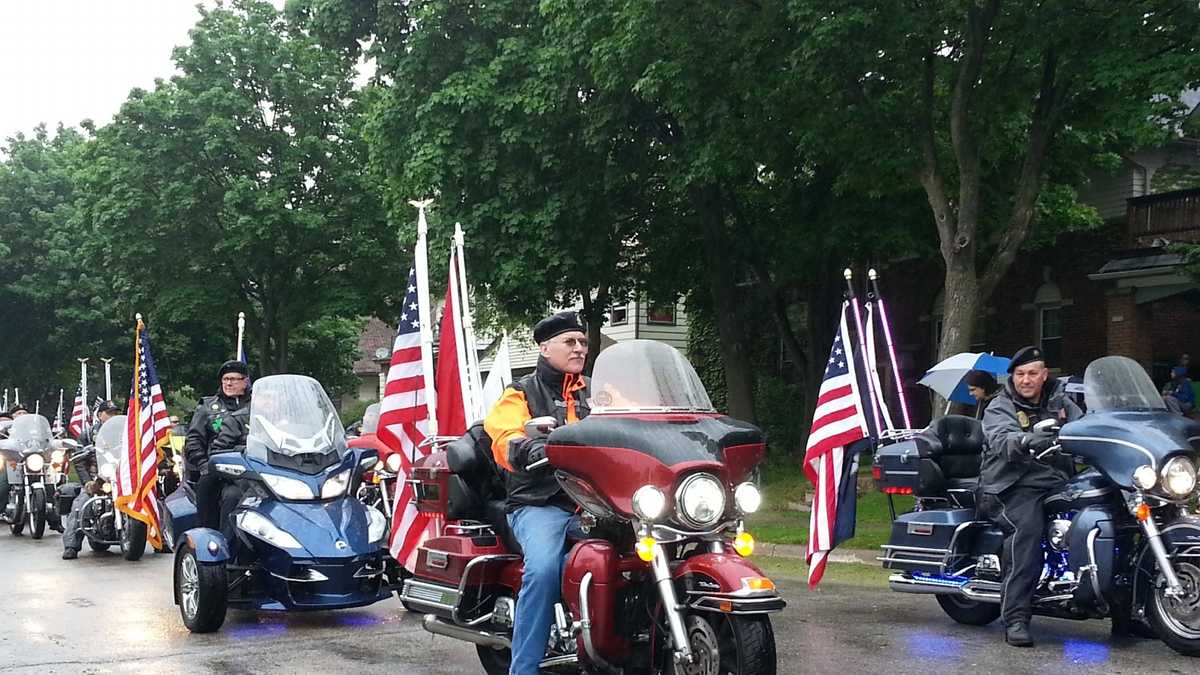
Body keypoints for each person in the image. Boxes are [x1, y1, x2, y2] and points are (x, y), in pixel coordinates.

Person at [483, 311, 591, 675]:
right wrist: (528, 448)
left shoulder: (598, 391)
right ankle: (524, 668)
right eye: (570, 342)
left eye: (583, 342)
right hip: (540, 503)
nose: (579, 349)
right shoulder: (519, 393)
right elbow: (503, 436)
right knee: (544, 569)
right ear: (545, 348)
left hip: (596, 501)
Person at [980, 346, 1082, 647]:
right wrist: (1026, 440)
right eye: (1020, 374)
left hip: (1054, 481)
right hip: (1008, 486)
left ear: (1044, 374)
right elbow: (1002, 440)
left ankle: (1126, 612)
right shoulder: (1000, 406)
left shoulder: (1061, 401)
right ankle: (1015, 618)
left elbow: (1085, 425)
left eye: (1032, 373)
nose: (1026, 380)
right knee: (1027, 531)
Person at [186, 361, 252, 538]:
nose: (228, 384)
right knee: (211, 486)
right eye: (225, 379)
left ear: (245, 381)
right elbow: (193, 440)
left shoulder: (259, 405)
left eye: (234, 379)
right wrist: (203, 464)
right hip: (220, 469)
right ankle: (209, 538)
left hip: (255, 468)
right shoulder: (208, 407)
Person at [62, 401, 122, 560]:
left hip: (122, 479)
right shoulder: (88, 434)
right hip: (98, 480)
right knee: (81, 505)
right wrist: (88, 482)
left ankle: (162, 540)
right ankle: (71, 546)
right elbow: (79, 460)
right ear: (100, 415)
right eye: (109, 413)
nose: (112, 416)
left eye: (115, 413)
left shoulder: (125, 432)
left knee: (149, 499)